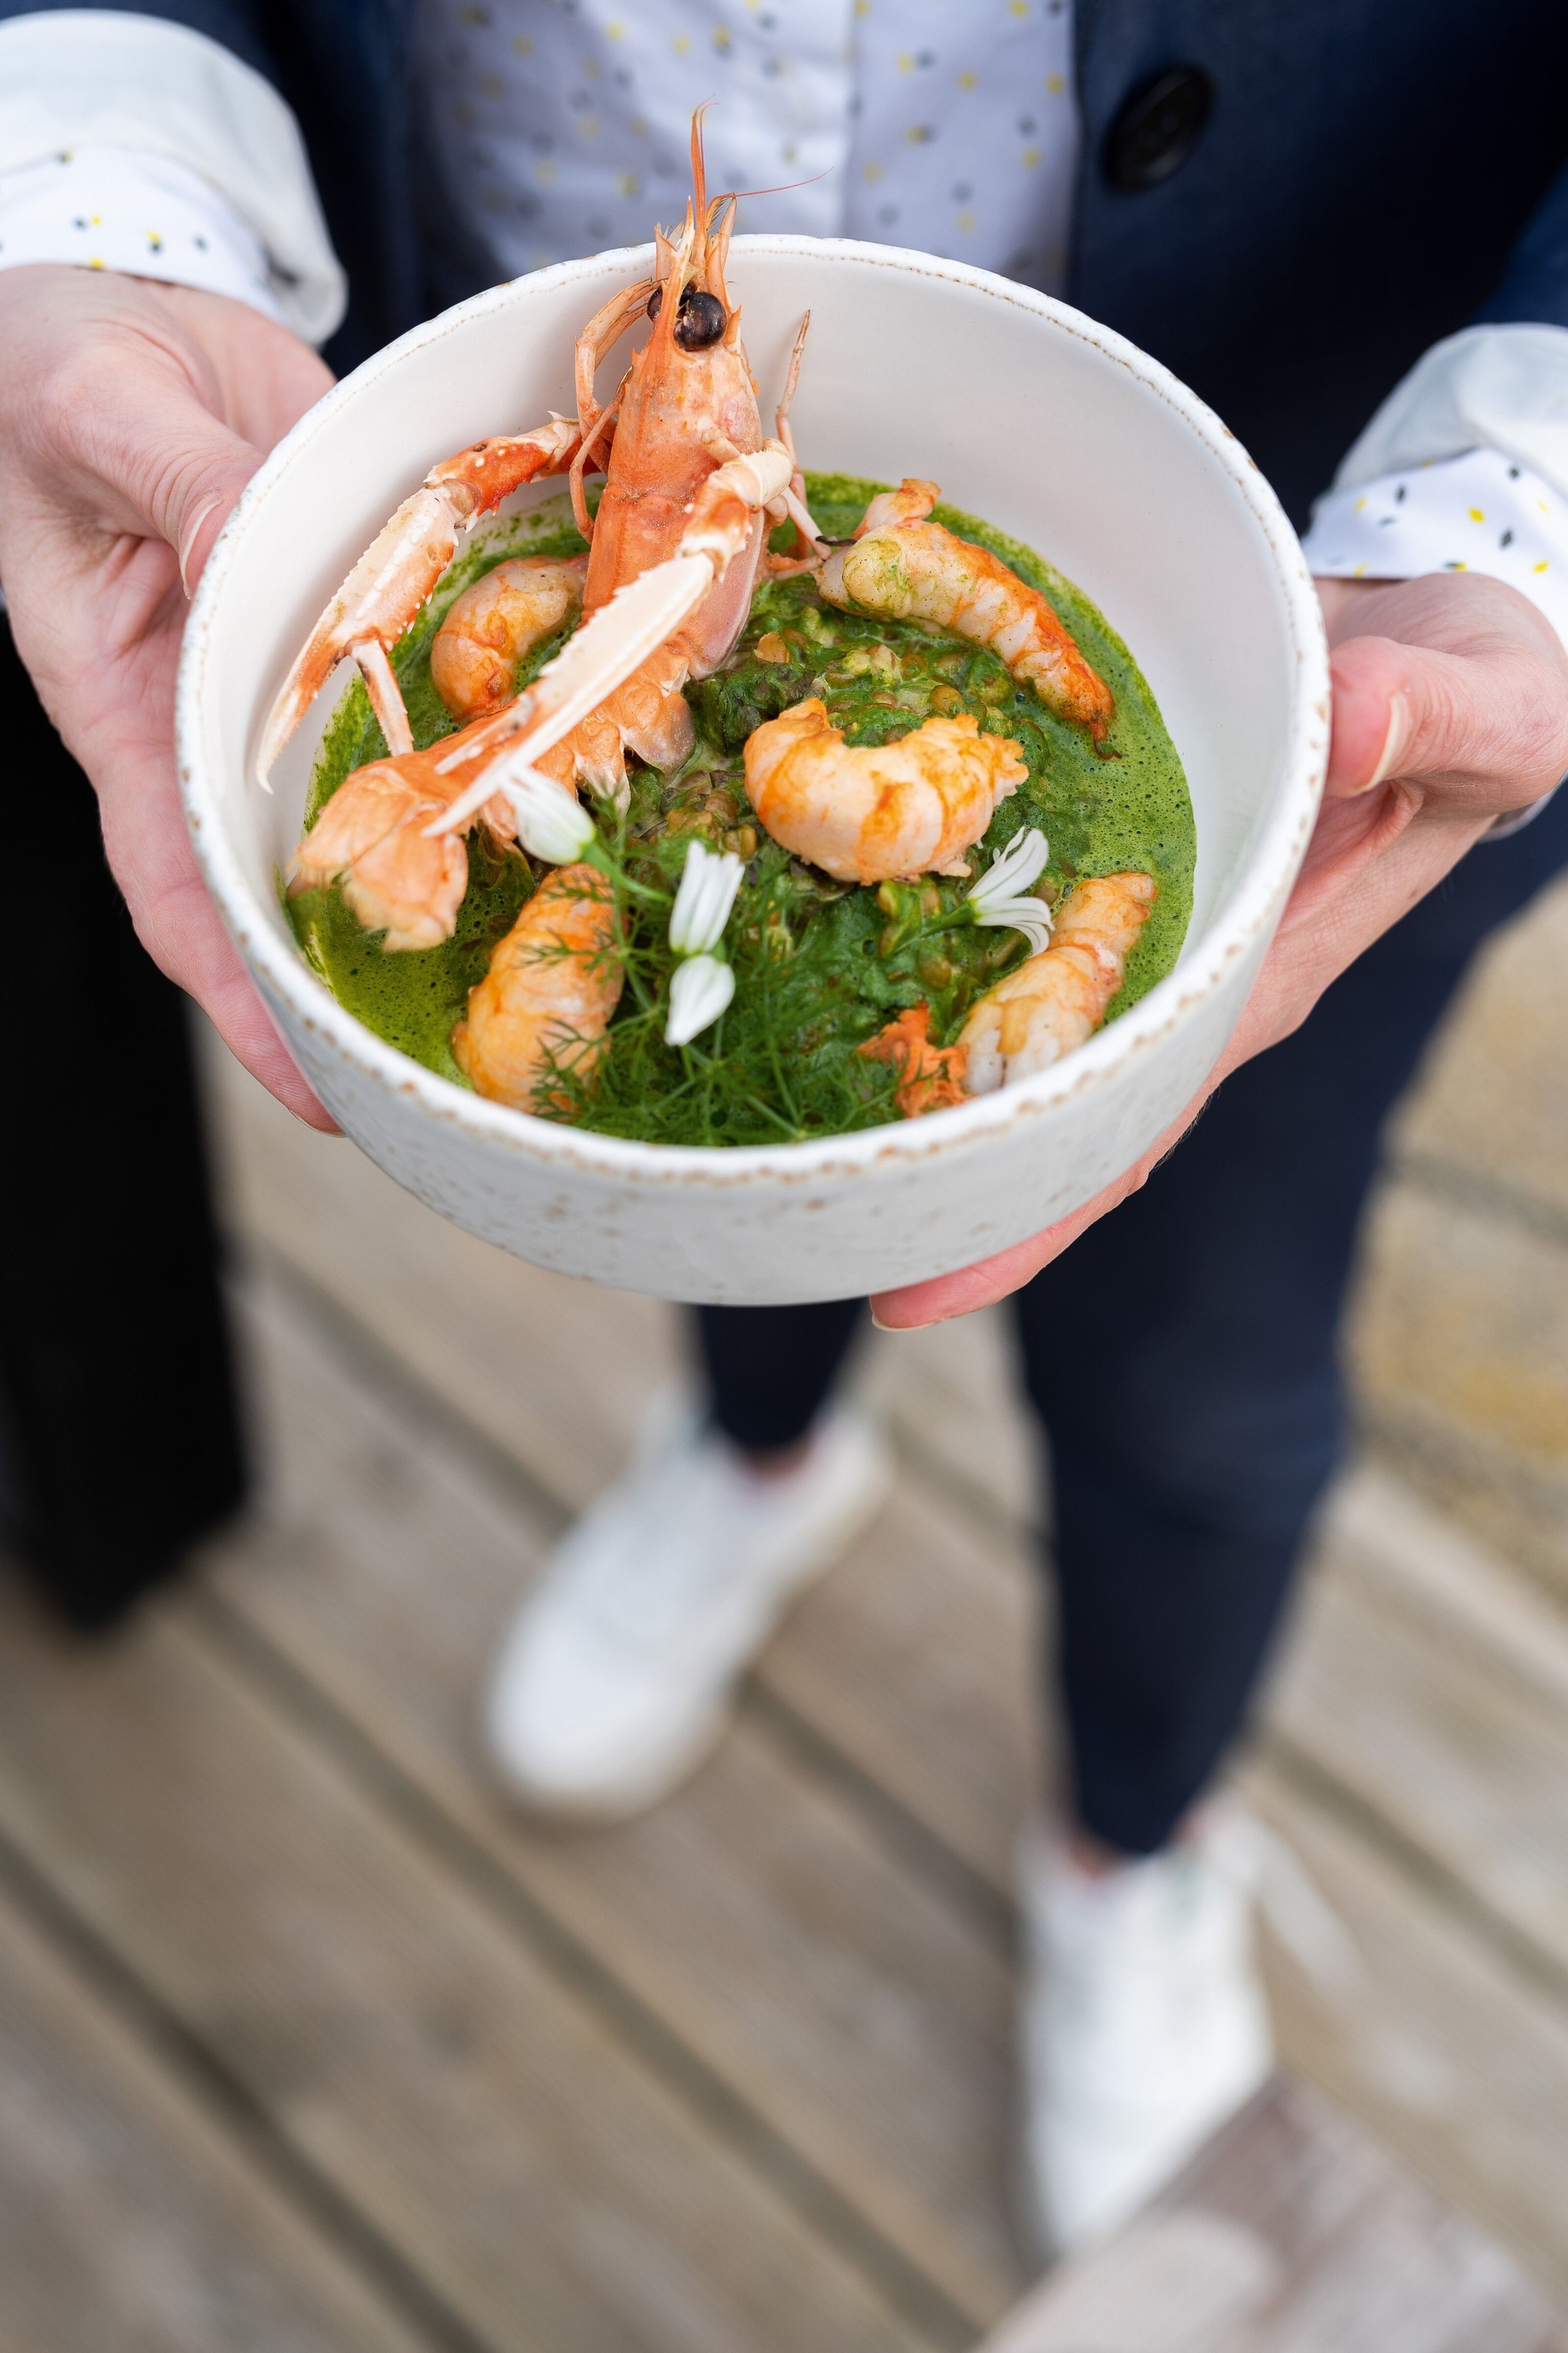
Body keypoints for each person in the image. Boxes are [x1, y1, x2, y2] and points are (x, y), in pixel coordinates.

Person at [2, 0, 1567, 2259]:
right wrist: (98, 189)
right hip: (474, 402)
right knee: (713, 1234)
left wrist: (1523, 497)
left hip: (1349, 558)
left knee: (1206, 1387)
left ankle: (1134, 1845)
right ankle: (758, 1460)